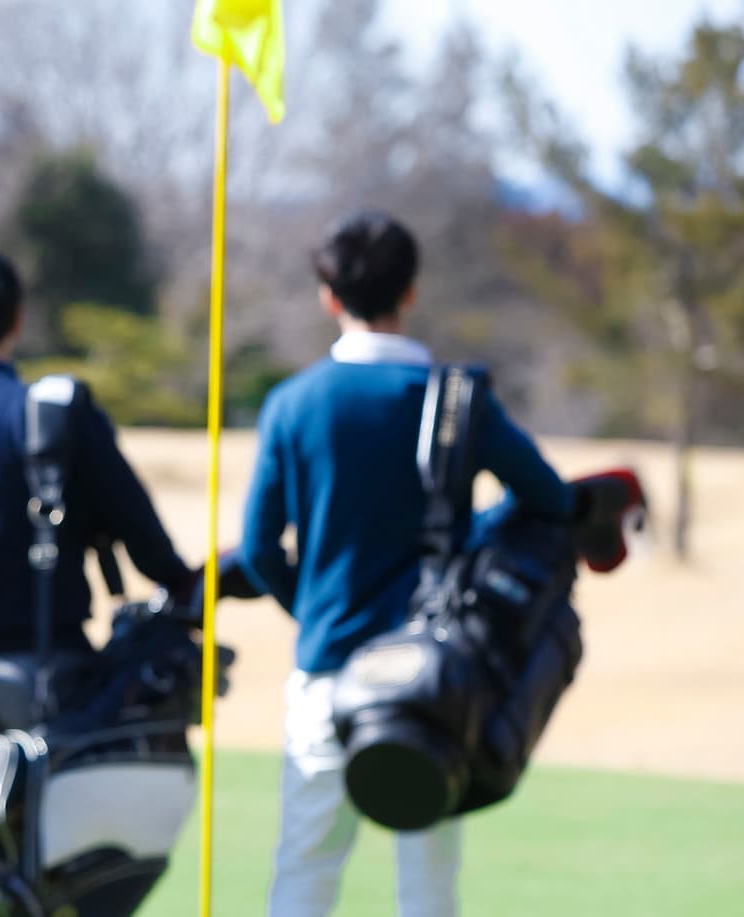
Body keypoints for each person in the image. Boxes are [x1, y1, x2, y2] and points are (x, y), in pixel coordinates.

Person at [238, 210, 573, 917]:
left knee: (305, 867)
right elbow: (546, 497)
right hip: (434, 677)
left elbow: (263, 548)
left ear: (329, 296)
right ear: (411, 292)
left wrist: (316, 608)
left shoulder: (293, 405)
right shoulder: (457, 400)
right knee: (427, 883)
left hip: (327, 668)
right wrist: (478, 531)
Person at [0, 247, 199, 779]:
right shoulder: (57, 416)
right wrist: (183, 582)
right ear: (18, 320)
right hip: (50, 669)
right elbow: (139, 532)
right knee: (53, 849)